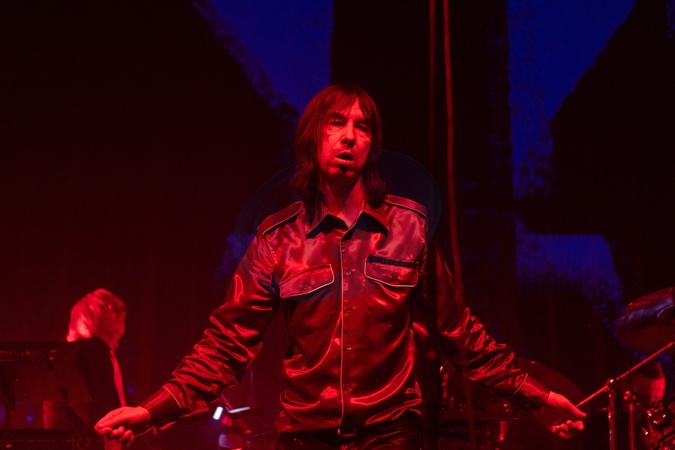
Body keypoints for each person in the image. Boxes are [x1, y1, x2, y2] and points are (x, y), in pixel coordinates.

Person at [95, 84, 585, 449]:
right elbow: (224, 346)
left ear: (372, 146)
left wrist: (538, 397)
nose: (350, 136)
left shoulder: (409, 226)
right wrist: (151, 411)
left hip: (391, 434)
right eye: (337, 123)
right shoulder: (276, 239)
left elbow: (461, 334)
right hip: (305, 436)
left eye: (362, 127)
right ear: (313, 137)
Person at [44, 288, 127, 450]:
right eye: (111, 307)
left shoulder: (101, 354)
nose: (121, 311)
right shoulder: (80, 352)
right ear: (89, 315)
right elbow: (95, 414)